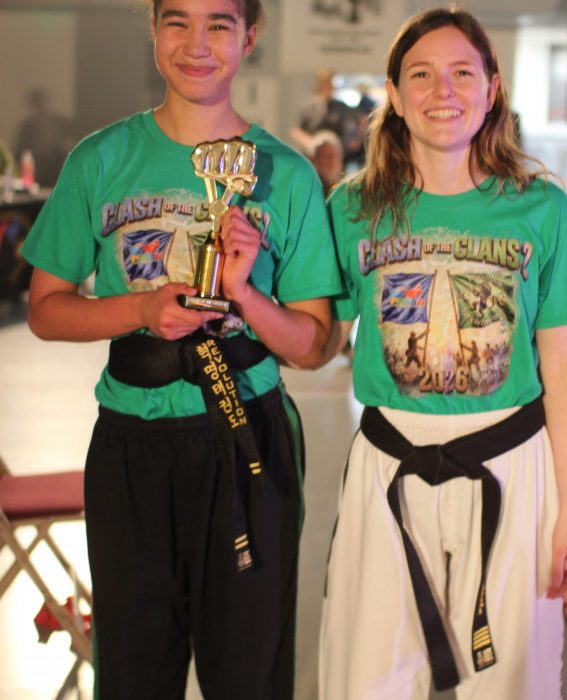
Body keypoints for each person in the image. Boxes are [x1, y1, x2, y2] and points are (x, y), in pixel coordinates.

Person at [21, 1, 342, 698]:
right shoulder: (100, 160)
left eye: (219, 24)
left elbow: (316, 347)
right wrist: (141, 309)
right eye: (177, 22)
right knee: (133, 677)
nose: (197, 43)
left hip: (247, 438)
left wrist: (246, 295)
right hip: (132, 448)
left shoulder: (284, 175)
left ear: (250, 38)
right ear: (153, 30)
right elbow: (44, 310)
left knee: (249, 678)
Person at [318, 7, 567, 699]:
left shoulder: (541, 207)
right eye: (421, 75)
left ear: (492, 88)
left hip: (511, 463)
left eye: (462, 74)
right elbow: (320, 344)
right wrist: (246, 293)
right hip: (389, 460)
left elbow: (565, 369)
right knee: (366, 677)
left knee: (514, 682)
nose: (442, 92)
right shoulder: (352, 207)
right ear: (393, 93)